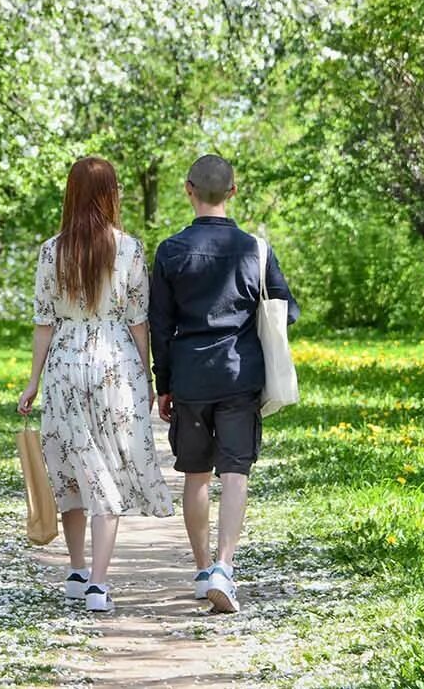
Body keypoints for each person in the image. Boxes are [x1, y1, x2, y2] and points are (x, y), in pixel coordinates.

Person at [17, 155, 173, 613]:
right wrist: (146, 375)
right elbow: (139, 319)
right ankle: (99, 585)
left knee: (71, 469)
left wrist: (32, 382)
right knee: (107, 468)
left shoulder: (51, 251)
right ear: (109, 195)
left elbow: (44, 322)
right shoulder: (128, 249)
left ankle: (77, 570)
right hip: (113, 362)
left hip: (65, 363)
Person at [148, 153, 298, 614]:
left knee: (195, 475)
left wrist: (164, 383)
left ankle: (200, 570)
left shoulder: (170, 251)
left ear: (188, 190)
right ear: (233, 192)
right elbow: (286, 311)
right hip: (240, 374)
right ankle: (224, 567)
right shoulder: (257, 249)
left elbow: (159, 324)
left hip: (191, 376)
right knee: (235, 472)